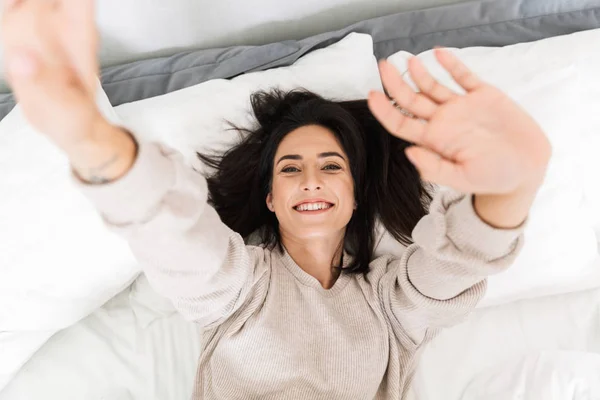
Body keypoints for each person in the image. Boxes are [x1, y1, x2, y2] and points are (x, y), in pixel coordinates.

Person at [2, 1, 552, 399]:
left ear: (356, 197)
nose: (311, 179)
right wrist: (91, 141)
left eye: (331, 166)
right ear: (270, 197)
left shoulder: (391, 308)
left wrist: (513, 185)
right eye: (291, 168)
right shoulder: (238, 291)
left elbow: (457, 263)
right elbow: (172, 231)